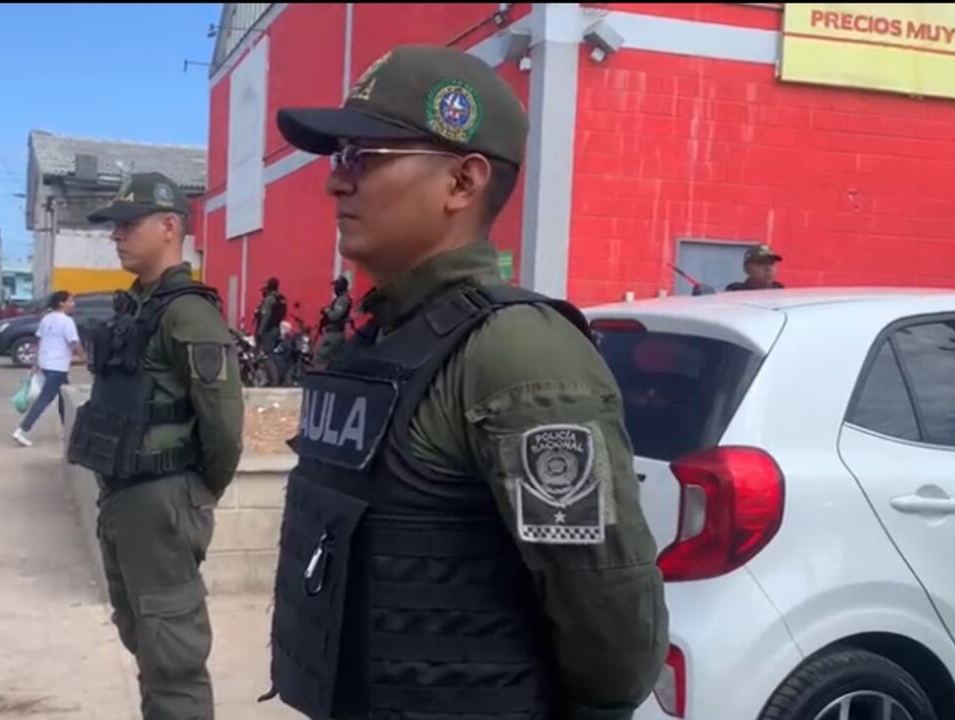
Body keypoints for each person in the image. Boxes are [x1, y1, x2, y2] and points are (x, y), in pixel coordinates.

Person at [262, 45, 668, 720]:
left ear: (461, 183)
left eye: (367, 157)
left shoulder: (519, 356)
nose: (336, 182)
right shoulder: (381, 339)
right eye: (339, 158)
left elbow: (613, 630)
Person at [68, 171, 244, 720]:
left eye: (128, 224)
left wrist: (194, 494)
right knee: (144, 639)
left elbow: (223, 425)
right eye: (113, 227)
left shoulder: (188, 311)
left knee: (174, 660)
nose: (116, 236)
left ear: (170, 226)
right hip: (122, 495)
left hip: (160, 496)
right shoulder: (137, 306)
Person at [12, 291, 85, 447]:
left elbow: (39, 341)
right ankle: (22, 430)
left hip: (47, 364)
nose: (73, 304)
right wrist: (86, 358)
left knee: (65, 396)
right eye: (70, 301)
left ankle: (69, 430)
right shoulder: (67, 322)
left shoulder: (46, 319)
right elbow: (74, 343)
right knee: (44, 399)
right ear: (61, 303)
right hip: (57, 367)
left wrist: (36, 362)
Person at [314, 275, 352, 368]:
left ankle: (320, 380)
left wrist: (327, 310)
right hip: (332, 332)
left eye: (336, 285)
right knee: (332, 359)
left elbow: (335, 316)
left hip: (334, 334)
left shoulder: (343, 300)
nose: (334, 288)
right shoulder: (339, 299)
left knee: (321, 357)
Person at [253, 277, 286, 354]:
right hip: (277, 329)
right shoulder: (281, 298)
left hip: (268, 331)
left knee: (264, 354)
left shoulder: (270, 299)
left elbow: (265, 316)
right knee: (271, 353)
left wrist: (260, 332)